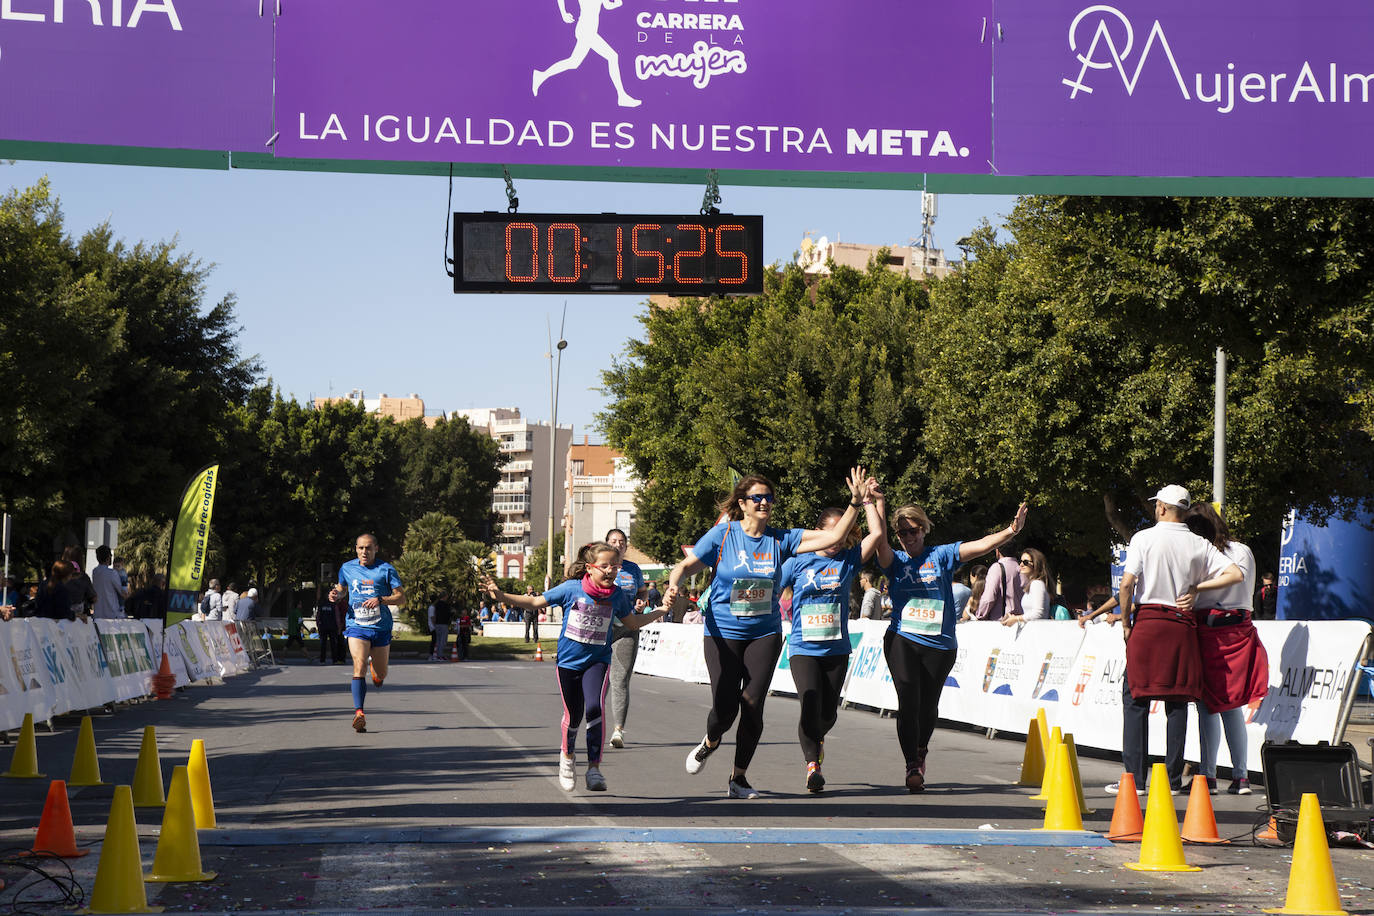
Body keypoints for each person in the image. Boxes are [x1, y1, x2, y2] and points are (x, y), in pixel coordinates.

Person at [664, 467, 868, 799]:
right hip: (723, 633)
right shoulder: (723, 536)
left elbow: (832, 537)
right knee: (724, 707)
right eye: (757, 498)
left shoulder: (781, 538)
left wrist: (855, 504)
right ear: (742, 503)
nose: (764, 503)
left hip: (764, 633)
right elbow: (686, 566)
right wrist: (674, 586)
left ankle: (738, 778)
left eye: (769, 498)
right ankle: (711, 740)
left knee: (753, 702)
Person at [867, 486, 1028, 792]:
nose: (908, 537)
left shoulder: (939, 556)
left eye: (913, 531)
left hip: (939, 645)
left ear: (923, 530)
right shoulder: (894, 560)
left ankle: (921, 750)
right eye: (902, 533)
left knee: (928, 706)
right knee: (908, 699)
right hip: (902, 638)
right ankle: (912, 765)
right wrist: (876, 503)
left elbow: (980, 546)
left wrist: (1011, 530)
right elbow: (880, 541)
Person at [485, 541, 666, 792]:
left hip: (598, 661)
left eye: (615, 566)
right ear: (590, 568)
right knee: (573, 716)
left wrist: (661, 611)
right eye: (604, 566)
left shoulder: (617, 596)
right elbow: (535, 603)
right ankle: (567, 757)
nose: (611, 571)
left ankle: (594, 768)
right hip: (569, 663)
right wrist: (501, 596)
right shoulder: (571, 589)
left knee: (595, 709)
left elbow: (632, 623)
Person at [1112, 485, 1243, 795]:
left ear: (1161, 508)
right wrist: (1198, 589)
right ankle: (1171, 780)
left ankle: (1134, 779)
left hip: (1148, 622)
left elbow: (1128, 583)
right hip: (1181, 626)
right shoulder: (1198, 543)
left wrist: (1127, 624)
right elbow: (1235, 574)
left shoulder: (1143, 538)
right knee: (1178, 699)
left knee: (1135, 698)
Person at [779, 492, 884, 792]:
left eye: (845, 533)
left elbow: (876, 533)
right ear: (819, 531)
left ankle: (818, 738)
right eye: (833, 532)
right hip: (803, 647)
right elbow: (772, 586)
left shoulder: (847, 560)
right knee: (809, 704)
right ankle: (813, 766)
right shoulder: (798, 561)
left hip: (837, 648)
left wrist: (868, 502)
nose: (838, 539)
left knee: (828, 713)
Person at [1185, 502, 1267, 795]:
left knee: (1215, 705)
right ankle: (1233, 775)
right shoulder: (1234, 550)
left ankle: (1215, 774)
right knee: (1223, 705)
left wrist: (1195, 589)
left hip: (1220, 630)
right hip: (1224, 630)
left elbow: (1227, 582)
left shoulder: (1218, 552)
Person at [329, 533, 405, 733]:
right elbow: (342, 589)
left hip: (381, 627)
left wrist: (380, 599)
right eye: (361, 548)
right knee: (359, 664)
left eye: (368, 548)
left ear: (376, 549)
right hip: (356, 625)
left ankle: (377, 673)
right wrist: (336, 595)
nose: (364, 552)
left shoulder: (386, 569)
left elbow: (401, 598)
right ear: (356, 549)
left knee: (381, 673)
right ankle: (359, 712)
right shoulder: (347, 568)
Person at [605, 527, 647, 749]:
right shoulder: (599, 567)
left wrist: (642, 601)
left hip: (627, 627)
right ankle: (595, 724)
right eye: (613, 540)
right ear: (606, 544)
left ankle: (618, 730)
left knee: (620, 680)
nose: (618, 544)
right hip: (601, 629)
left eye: (622, 541)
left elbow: (642, 591)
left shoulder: (633, 569)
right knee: (599, 680)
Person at [1002, 548, 1052, 625]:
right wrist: (1014, 618)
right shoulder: (1033, 584)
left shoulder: (1037, 584)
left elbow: (1038, 613)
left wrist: (1016, 619)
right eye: (1020, 561)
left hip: (1038, 631)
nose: (1021, 564)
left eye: (1025, 562)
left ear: (1036, 564)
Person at [975, 545, 1024, 621]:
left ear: (997, 551)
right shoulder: (1023, 569)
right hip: (1021, 620)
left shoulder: (997, 568)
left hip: (1002, 621)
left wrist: (980, 614)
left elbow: (989, 598)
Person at [91, 544, 128, 619]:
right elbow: (123, 593)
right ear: (108, 557)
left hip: (98, 614)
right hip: (112, 614)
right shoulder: (112, 573)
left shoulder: (95, 571)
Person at [317, 592, 342, 664]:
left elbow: (318, 617)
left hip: (323, 627)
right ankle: (334, 660)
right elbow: (337, 617)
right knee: (333, 644)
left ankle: (322, 660)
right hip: (332, 627)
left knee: (323, 644)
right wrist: (339, 627)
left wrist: (318, 626)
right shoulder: (334, 605)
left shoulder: (321, 605)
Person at [429, 593, 453, 661]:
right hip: (443, 624)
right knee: (443, 640)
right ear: (445, 597)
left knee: (438, 640)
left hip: (437, 624)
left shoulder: (435, 605)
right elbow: (448, 614)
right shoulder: (446, 605)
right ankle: (440, 655)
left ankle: (436, 655)